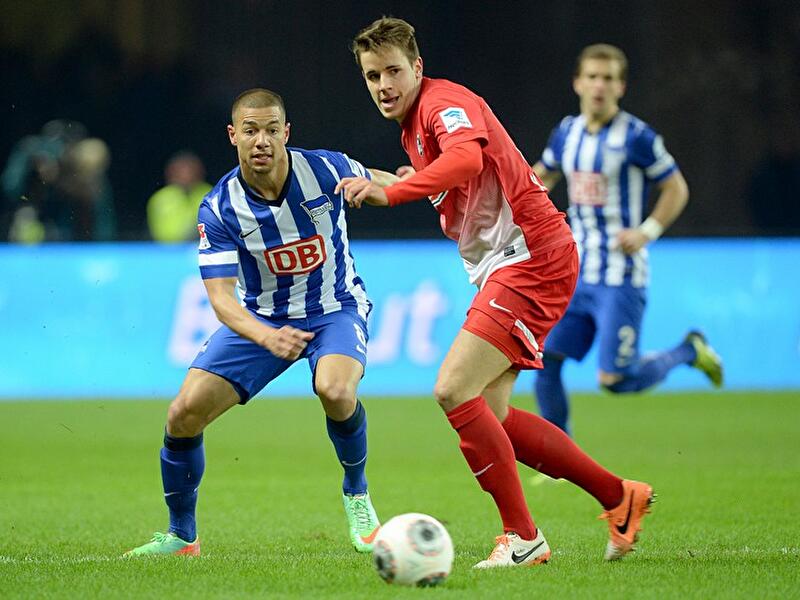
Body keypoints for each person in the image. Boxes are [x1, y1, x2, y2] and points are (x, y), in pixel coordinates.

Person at [338, 17, 653, 568]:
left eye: (393, 71)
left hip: (530, 257)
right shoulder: (413, 124)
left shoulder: (442, 103)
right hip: (511, 264)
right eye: (371, 76)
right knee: (491, 411)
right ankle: (617, 495)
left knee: (453, 388)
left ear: (417, 67)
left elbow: (467, 159)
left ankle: (523, 538)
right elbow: (446, 177)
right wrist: (381, 180)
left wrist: (396, 192)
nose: (383, 85)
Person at [124, 88, 388, 557]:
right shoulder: (220, 207)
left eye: (271, 129)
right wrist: (267, 335)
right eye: (250, 130)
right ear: (233, 136)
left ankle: (357, 494)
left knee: (336, 389)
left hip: (335, 307)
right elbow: (222, 300)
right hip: (263, 319)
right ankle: (183, 536)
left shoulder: (326, 169)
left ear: (286, 133)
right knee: (182, 414)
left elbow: (377, 180)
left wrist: (411, 186)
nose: (261, 140)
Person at [530, 44, 723, 435]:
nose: (599, 86)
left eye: (609, 78)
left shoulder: (637, 137)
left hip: (621, 276)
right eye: (593, 77)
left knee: (615, 381)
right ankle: (558, 459)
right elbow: (543, 178)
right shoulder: (567, 134)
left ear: (621, 87)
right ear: (577, 83)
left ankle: (689, 350)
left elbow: (676, 188)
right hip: (575, 271)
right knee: (544, 359)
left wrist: (647, 231)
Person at [147, 151, 213, 242]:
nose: (185, 176)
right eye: (181, 171)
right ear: (170, 173)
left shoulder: (211, 194)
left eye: (189, 171)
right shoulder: (160, 199)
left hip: (206, 248)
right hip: (171, 252)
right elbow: (161, 235)